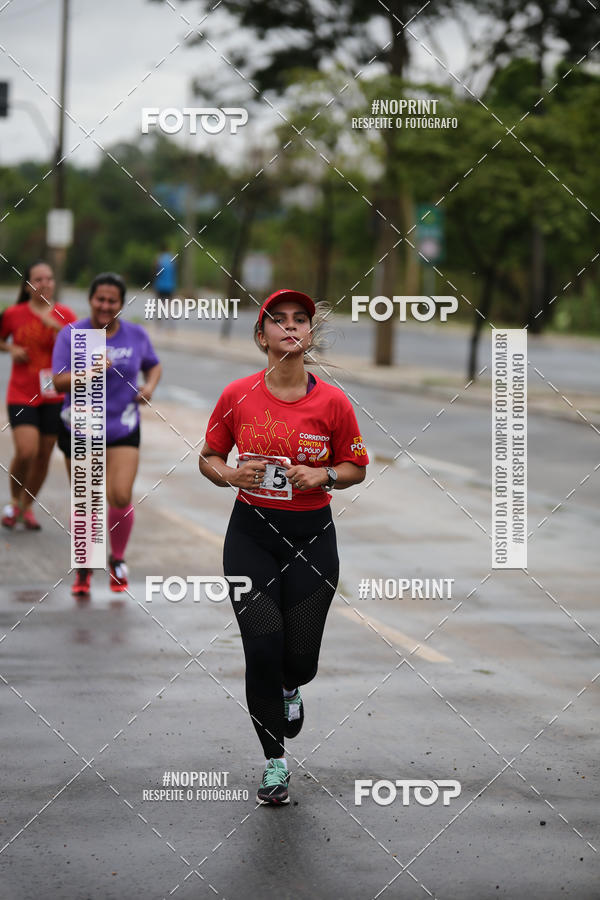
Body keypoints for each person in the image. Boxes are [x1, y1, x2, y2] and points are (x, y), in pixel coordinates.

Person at [199, 288, 369, 805]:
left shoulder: (333, 402)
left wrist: (324, 474)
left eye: (300, 320)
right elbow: (207, 456)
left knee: (299, 660)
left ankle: (292, 688)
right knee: (261, 647)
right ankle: (275, 763)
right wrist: (230, 473)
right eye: (278, 321)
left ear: (309, 334)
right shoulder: (237, 396)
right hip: (251, 535)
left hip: (312, 537)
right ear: (262, 336)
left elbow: (356, 467)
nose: (290, 327)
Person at [52, 272, 162, 596]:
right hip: (81, 428)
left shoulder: (136, 335)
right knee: (87, 501)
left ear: (121, 304)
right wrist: (89, 371)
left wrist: (150, 387)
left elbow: (153, 365)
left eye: (112, 300)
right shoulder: (72, 335)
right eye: (100, 299)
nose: (105, 305)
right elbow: (57, 382)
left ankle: (116, 559)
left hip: (123, 426)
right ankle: (86, 566)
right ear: (90, 300)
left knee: (119, 494)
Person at [0, 261, 77, 530]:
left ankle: (26, 507)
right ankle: (13, 501)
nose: (45, 283)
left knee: (44, 455)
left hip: (55, 396)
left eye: (49, 278)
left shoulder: (65, 313)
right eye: (38, 279)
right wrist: (11, 349)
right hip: (22, 393)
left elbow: (82, 347)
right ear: (28, 285)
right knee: (26, 450)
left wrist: (54, 325)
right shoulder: (13, 313)